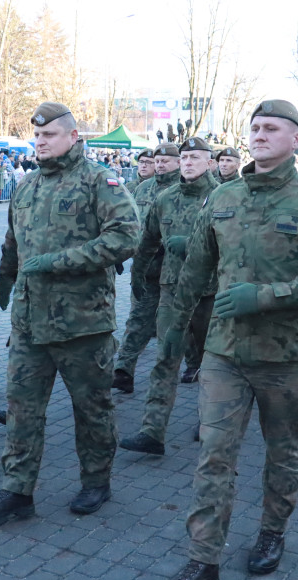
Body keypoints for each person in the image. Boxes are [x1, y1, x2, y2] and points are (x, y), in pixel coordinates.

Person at [159, 101, 298, 580]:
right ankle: (203, 561)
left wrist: (268, 297)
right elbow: (196, 271)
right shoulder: (222, 196)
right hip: (224, 353)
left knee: (283, 454)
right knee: (213, 457)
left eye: (272, 129)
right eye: (255, 128)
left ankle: (273, 531)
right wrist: (173, 331)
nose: (260, 135)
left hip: (285, 357)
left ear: (296, 140)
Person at [0, 102, 138, 522]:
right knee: (22, 409)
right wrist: (6, 277)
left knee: (92, 410)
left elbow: (125, 236)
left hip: (83, 323)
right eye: (37, 136)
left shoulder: (99, 180)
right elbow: (14, 237)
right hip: (30, 324)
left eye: (49, 136)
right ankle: (17, 489)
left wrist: (59, 262)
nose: (40, 142)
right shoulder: (27, 185)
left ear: (73, 137)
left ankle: (96, 482)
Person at [120, 137, 219, 456]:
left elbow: (239, 246)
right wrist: (137, 275)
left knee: (212, 362)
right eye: (185, 157)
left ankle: (210, 421)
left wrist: (193, 244)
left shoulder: (224, 197)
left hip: (210, 293)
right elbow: (147, 240)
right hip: (171, 291)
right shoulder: (166, 198)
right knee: (165, 359)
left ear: (210, 162)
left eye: (195, 157)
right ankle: (153, 430)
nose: (189, 162)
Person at [112, 142, 181, 393]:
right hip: (147, 270)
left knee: (176, 328)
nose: (160, 164)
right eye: (157, 160)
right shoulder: (142, 189)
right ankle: (123, 370)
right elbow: (131, 224)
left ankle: (182, 371)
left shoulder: (182, 190)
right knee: (137, 320)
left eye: (166, 160)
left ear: (179, 162)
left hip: (177, 274)